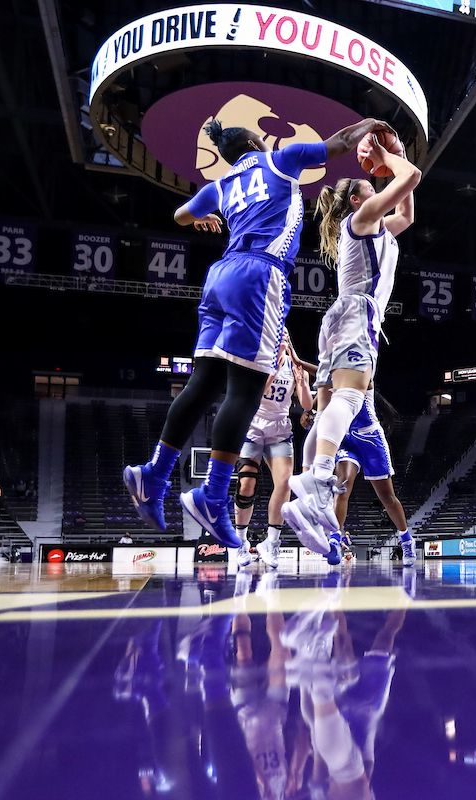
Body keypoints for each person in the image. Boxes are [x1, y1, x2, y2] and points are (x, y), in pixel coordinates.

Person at [123, 115, 397, 551]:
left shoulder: (221, 184)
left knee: (205, 381)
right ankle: (212, 497)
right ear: (255, 140)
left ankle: (154, 473)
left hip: (219, 277)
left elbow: (179, 214)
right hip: (260, 273)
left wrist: (200, 218)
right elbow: (342, 140)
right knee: (246, 389)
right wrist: (371, 124)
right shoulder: (280, 160)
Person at [281, 135, 420, 562]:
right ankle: (319, 476)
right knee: (351, 396)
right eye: (369, 185)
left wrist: (388, 165)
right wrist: (390, 158)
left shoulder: (377, 227)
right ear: (359, 199)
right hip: (358, 314)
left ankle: (306, 500)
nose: (374, 186)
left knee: (327, 412)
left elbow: (407, 212)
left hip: (341, 317)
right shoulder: (361, 218)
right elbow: (411, 175)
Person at [234, 335, 312, 569]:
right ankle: (240, 543)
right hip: (253, 426)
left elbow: (307, 405)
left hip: (280, 429)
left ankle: (272, 543)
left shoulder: (296, 367)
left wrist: (303, 384)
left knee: (285, 484)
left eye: (287, 337)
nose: (283, 340)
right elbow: (252, 396)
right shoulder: (257, 360)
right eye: (280, 336)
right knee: (246, 485)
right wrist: (273, 370)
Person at [331, 390, 415, 566]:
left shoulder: (361, 368)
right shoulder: (332, 376)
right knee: (342, 485)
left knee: (387, 497)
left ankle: (407, 540)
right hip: (347, 438)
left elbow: (339, 380)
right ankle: (334, 538)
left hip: (370, 438)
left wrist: (301, 362)